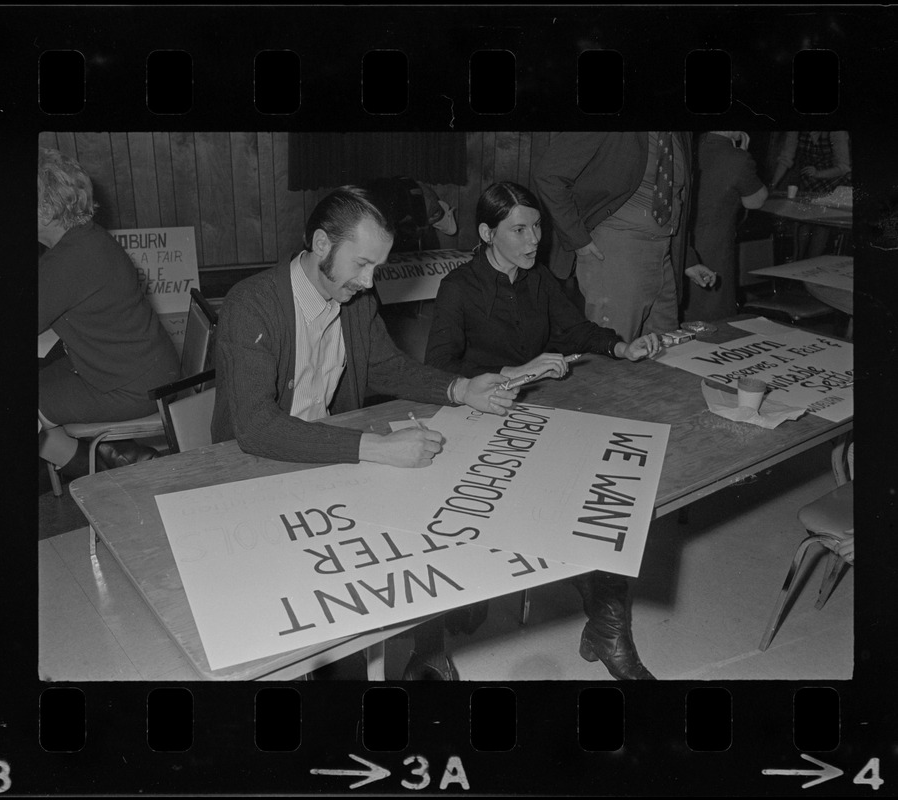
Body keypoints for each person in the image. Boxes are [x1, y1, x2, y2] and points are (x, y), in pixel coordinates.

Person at [210, 186, 518, 680]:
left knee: (422, 518)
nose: (370, 281)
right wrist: (376, 449)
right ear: (321, 244)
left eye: (378, 266)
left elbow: (384, 366)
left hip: (323, 453)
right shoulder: (252, 304)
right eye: (362, 264)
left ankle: (425, 648)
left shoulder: (353, 294)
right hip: (257, 469)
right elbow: (255, 428)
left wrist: (460, 388)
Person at [425, 182, 662, 680]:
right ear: (487, 233)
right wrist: (515, 373)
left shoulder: (539, 280)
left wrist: (620, 347)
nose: (534, 239)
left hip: (536, 414)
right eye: (519, 230)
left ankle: (608, 630)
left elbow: (575, 330)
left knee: (604, 489)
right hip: (477, 423)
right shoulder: (459, 288)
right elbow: (438, 369)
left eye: (537, 227)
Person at [38, 147, 180, 478]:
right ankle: (115, 458)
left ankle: (102, 469)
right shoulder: (84, 239)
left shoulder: (68, 260)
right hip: (132, 370)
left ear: (44, 212)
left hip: (129, 387)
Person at [533, 132, 717, 343]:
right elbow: (549, 175)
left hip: (664, 253)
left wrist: (687, 259)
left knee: (666, 350)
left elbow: (677, 196)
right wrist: (578, 239)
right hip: (617, 249)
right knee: (616, 351)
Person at [683, 131, 768, 322]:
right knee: (715, 313)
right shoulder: (737, 158)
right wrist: (743, 154)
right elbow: (756, 201)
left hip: (684, 246)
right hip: (715, 247)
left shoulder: (691, 146)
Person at [770, 131, 851, 259]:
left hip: (833, 178)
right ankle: (798, 261)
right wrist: (773, 185)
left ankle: (813, 261)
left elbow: (844, 167)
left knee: (821, 224)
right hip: (809, 179)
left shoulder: (837, 133)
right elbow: (785, 159)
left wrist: (818, 174)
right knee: (803, 221)